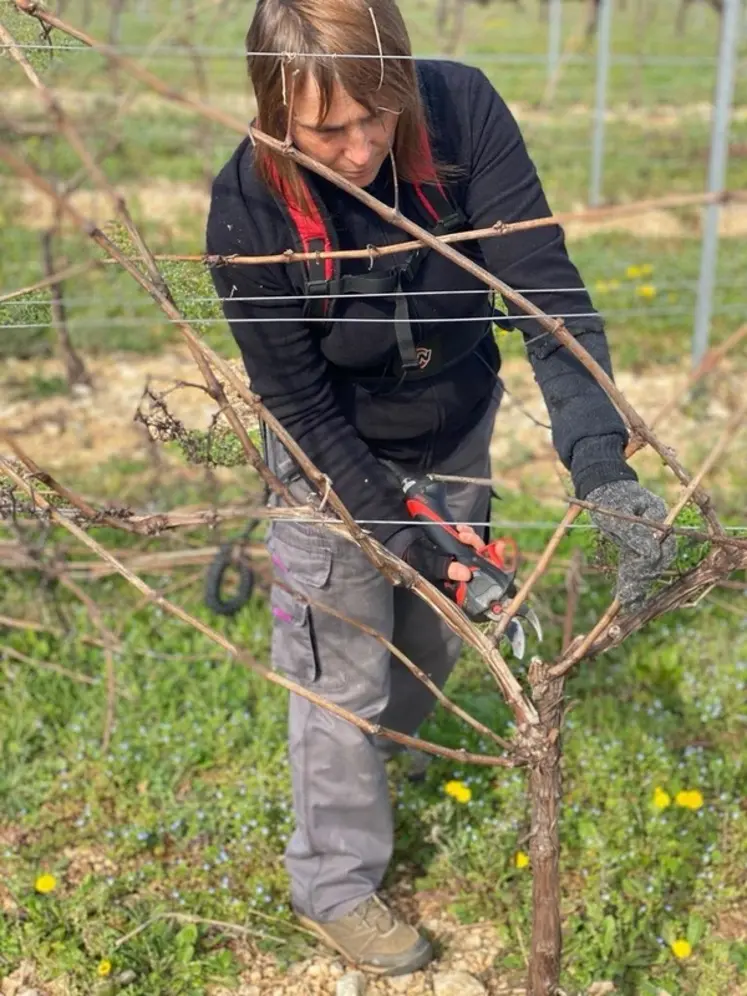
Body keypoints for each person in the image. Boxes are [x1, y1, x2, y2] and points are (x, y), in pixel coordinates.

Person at [206, 0, 675, 977]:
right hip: (328, 459)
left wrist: (600, 464)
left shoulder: (460, 116)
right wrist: (403, 534)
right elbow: (299, 399)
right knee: (344, 670)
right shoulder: (249, 208)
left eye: (377, 113)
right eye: (327, 128)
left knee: (428, 647)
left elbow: (542, 287)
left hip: (454, 429)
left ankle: (389, 758)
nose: (361, 145)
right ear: (274, 112)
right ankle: (334, 878)